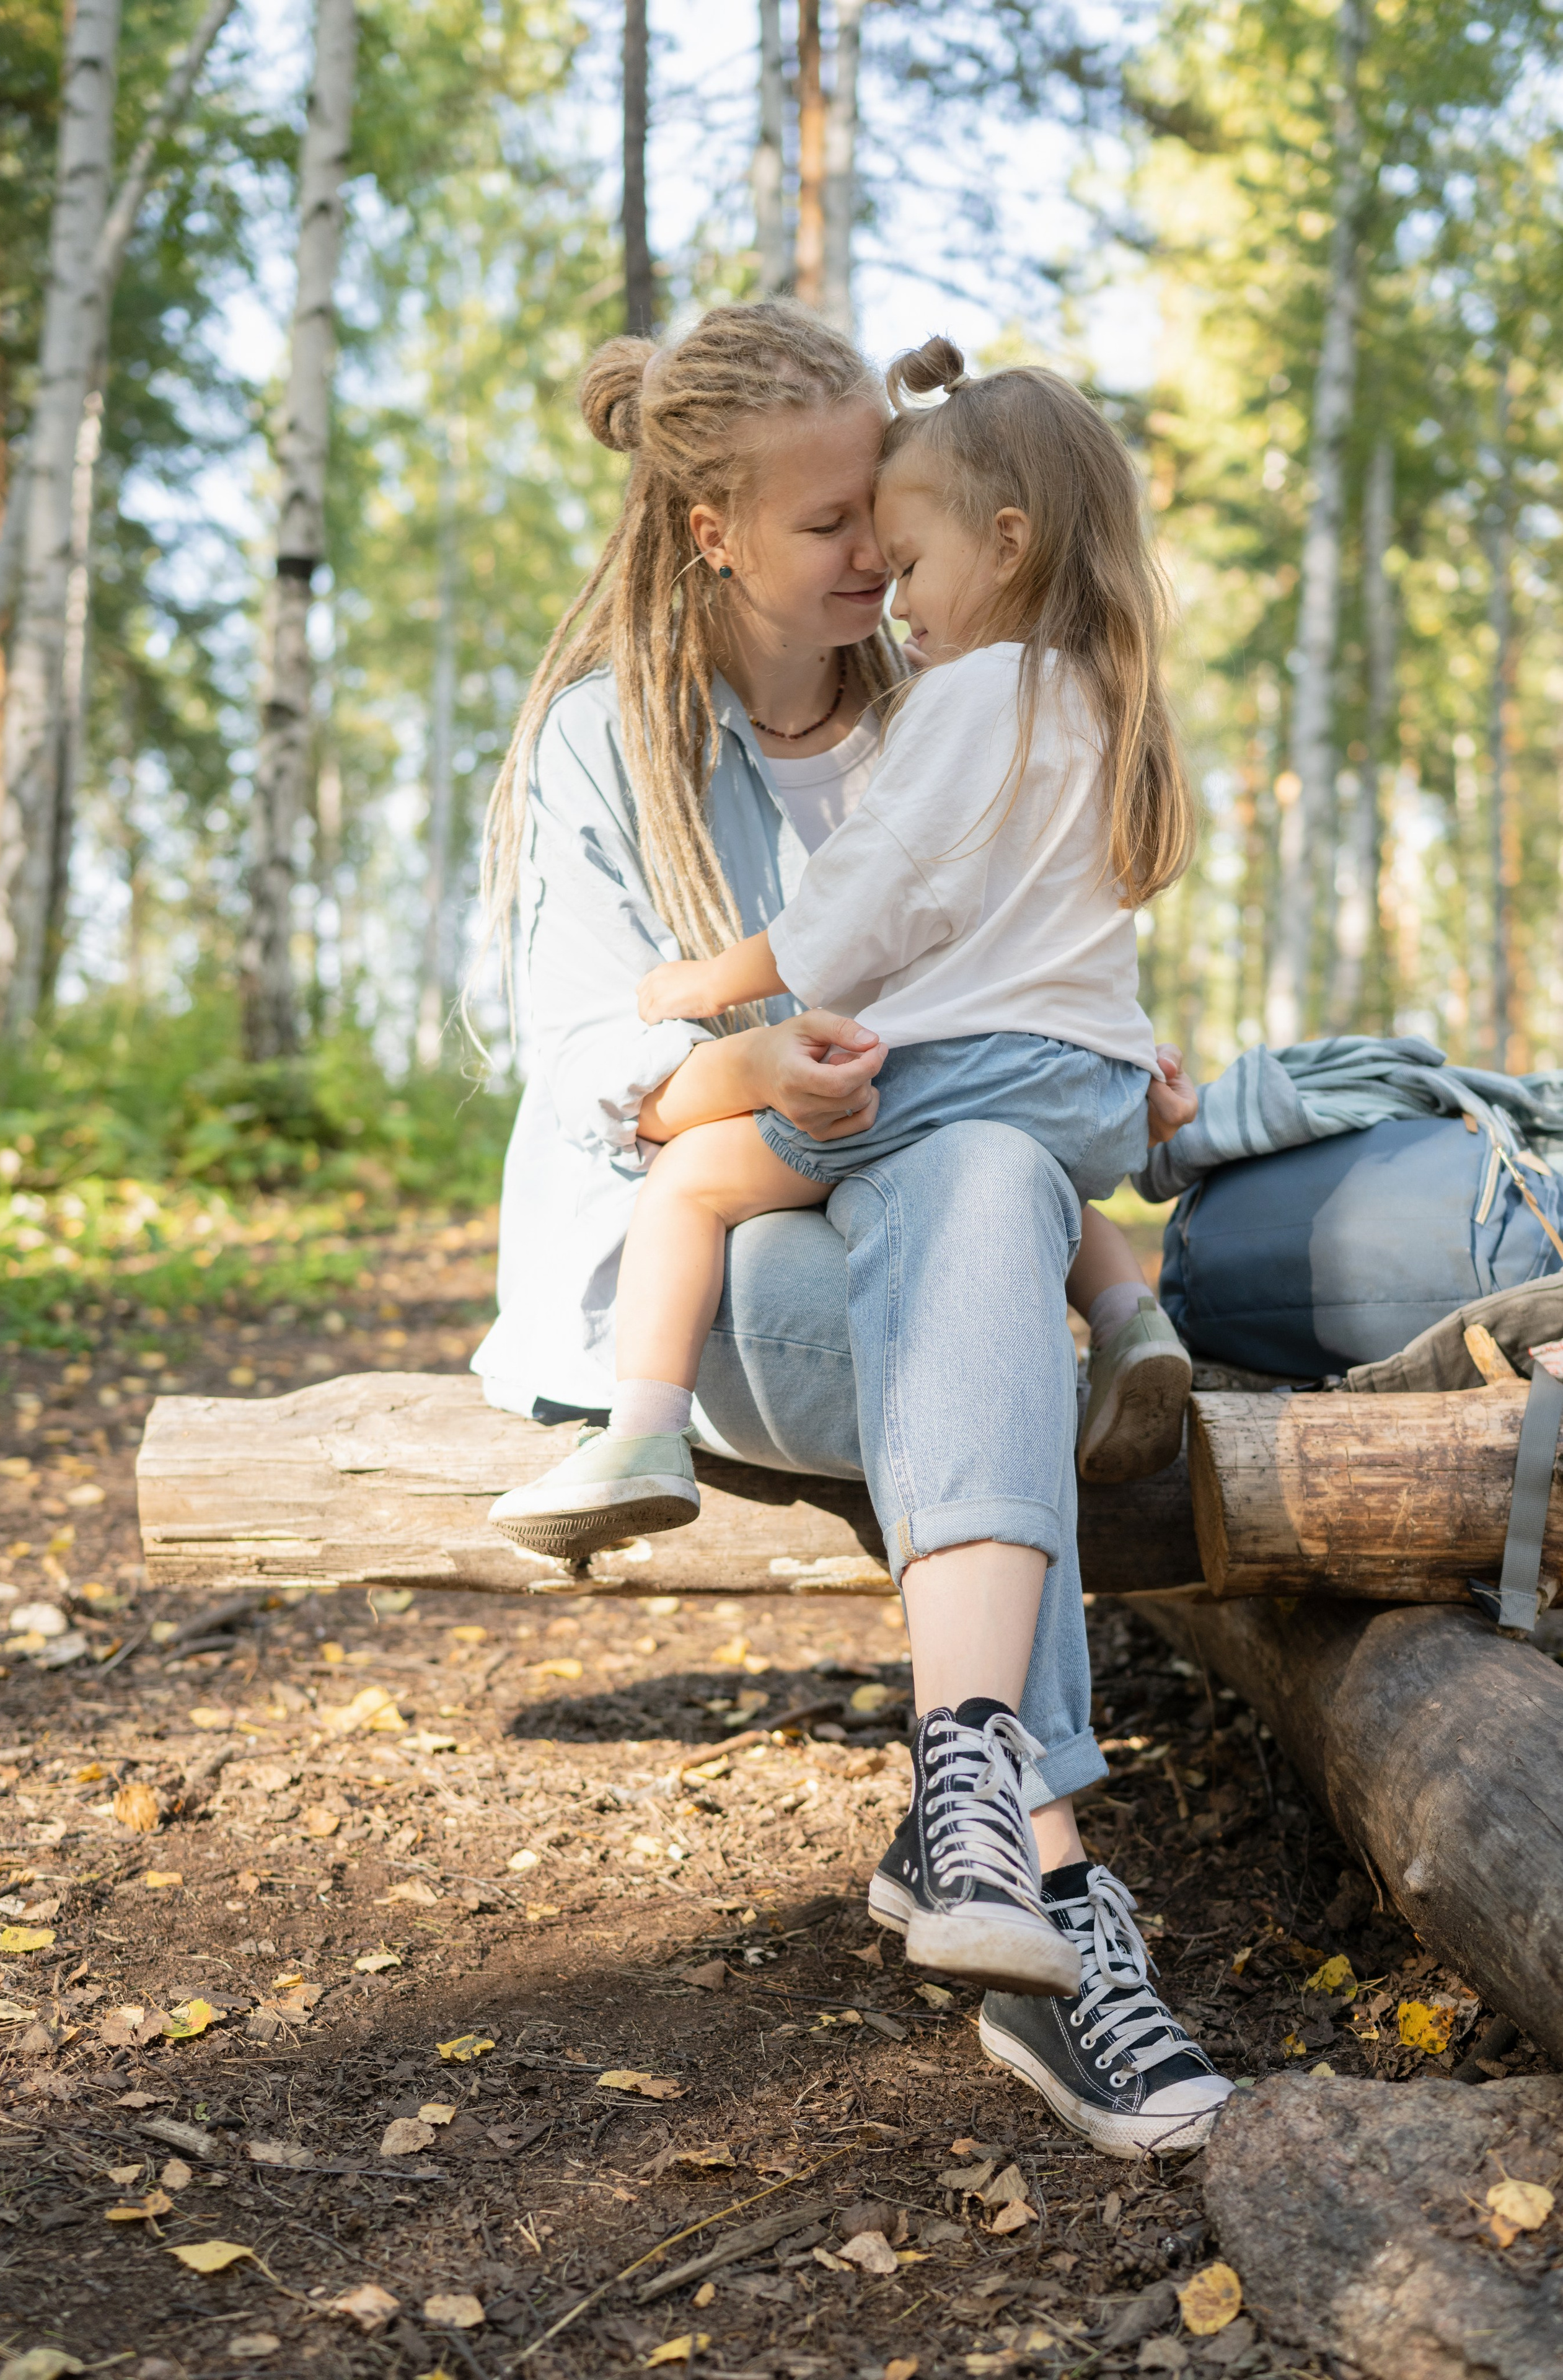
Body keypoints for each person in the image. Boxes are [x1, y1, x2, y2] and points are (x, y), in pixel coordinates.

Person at [475, 301, 1230, 2153]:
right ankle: (1046, 1875)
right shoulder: (604, 742)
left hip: (924, 1217)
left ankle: (975, 1809)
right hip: (695, 1264)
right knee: (979, 1236)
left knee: (978, 1187)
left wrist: (1101, 1056)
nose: (880, 557)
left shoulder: (955, 699)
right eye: (832, 530)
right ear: (714, 529)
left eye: (884, 514)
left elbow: (1019, 967)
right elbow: (579, 1055)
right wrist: (748, 1067)